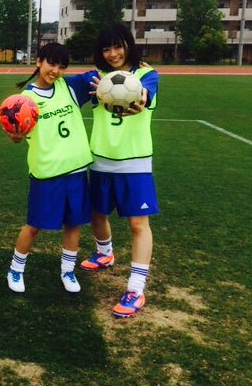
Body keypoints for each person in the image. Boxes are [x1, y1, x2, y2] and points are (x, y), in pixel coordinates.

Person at [79, 23, 159, 318]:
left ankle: (136, 290)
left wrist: (141, 100)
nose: (113, 54)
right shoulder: (96, 78)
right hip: (100, 160)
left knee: (138, 225)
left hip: (135, 163)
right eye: (106, 49)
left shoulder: (146, 75)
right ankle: (105, 253)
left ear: (128, 45)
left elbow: (146, 96)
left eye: (118, 46)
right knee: (97, 215)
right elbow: (64, 87)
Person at [4, 42, 93, 295]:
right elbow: (18, 136)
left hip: (75, 169)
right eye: (51, 64)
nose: (55, 71)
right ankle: (15, 269)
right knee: (34, 225)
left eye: (62, 66)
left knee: (73, 224)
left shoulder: (70, 87)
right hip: (47, 172)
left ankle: (68, 270)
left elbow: (101, 74)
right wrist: (16, 137)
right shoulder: (24, 100)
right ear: (38, 62)